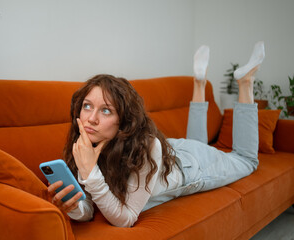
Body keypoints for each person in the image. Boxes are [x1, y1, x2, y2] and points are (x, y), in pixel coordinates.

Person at [48, 41, 265, 228]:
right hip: (170, 152)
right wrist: (73, 206)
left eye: (106, 110)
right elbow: (90, 206)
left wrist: (89, 172)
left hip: (191, 166)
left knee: (247, 160)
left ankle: (245, 83)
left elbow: (126, 218)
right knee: (195, 142)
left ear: (123, 120)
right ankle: (198, 83)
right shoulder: (85, 142)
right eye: (87, 106)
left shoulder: (145, 146)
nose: (91, 118)